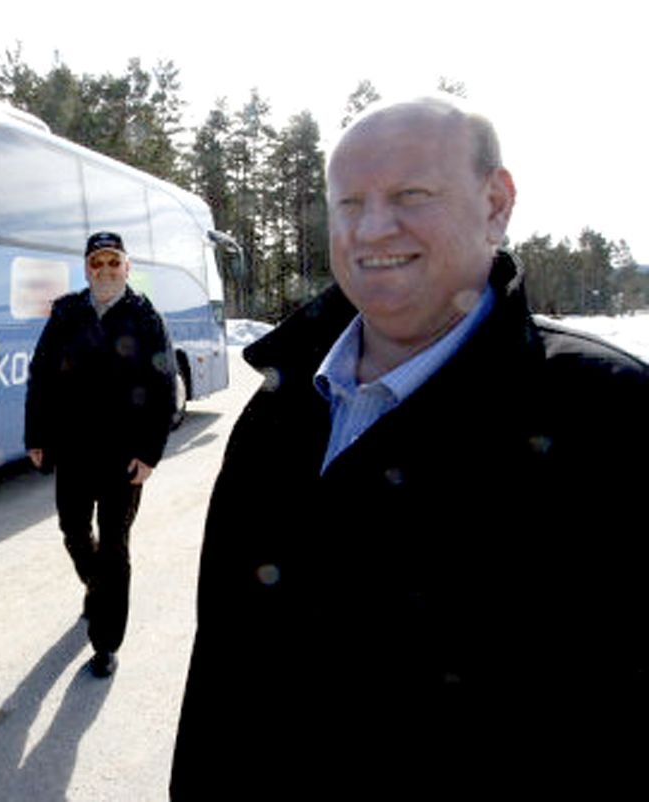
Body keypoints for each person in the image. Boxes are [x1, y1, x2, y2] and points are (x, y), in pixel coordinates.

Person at [171, 97, 647, 793]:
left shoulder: (610, 416)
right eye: (349, 203)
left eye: (410, 195)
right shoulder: (281, 400)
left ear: (496, 204)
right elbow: (223, 652)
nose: (372, 229)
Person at [25, 231, 177, 678]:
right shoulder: (67, 313)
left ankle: (106, 641)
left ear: (126, 267)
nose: (106, 270)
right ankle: (98, 589)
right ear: (87, 269)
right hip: (73, 451)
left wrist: (150, 453)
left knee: (114, 547)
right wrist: (37, 436)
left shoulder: (145, 317)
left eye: (114, 262)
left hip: (123, 457)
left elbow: (163, 387)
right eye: (97, 263)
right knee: (73, 530)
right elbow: (41, 376)